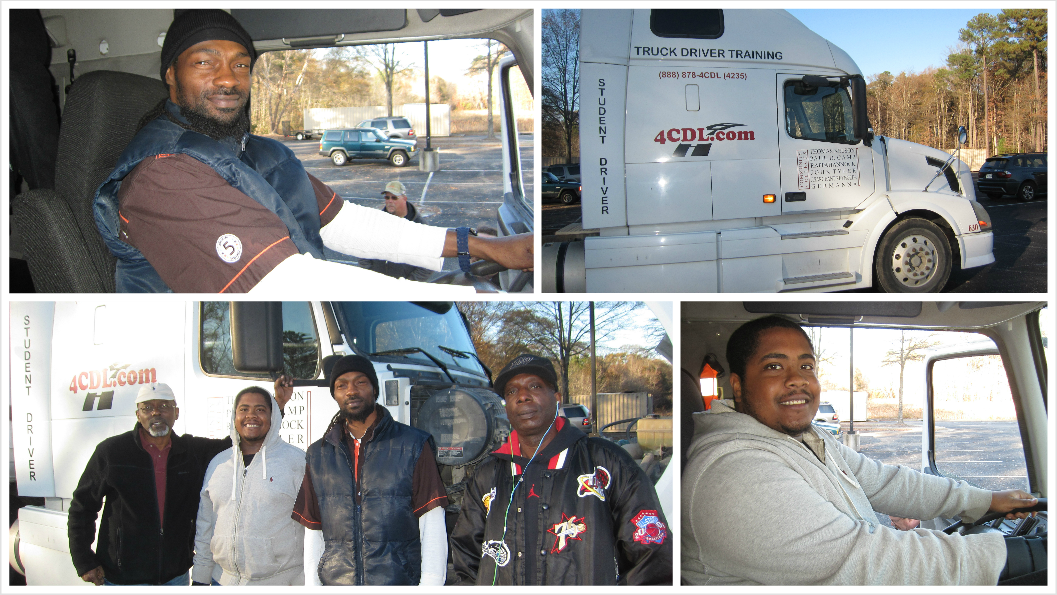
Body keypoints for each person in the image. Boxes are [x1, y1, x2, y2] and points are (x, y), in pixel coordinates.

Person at [92, 9, 532, 293]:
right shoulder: (162, 174)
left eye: (240, 64)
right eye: (205, 62)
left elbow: (345, 223)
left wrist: (482, 248)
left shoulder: (258, 152)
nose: (228, 79)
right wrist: (466, 296)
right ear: (171, 76)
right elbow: (289, 282)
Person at [681, 315, 1044, 586]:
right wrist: (1014, 554)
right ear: (738, 386)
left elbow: (886, 482)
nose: (798, 379)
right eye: (774, 366)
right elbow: (867, 560)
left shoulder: (804, 439)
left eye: (806, 365)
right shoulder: (733, 473)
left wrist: (986, 500)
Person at [449, 354, 673, 585]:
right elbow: (466, 557)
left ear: (556, 397)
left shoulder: (607, 463)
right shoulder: (487, 475)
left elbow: (652, 557)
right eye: (511, 392)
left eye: (534, 386)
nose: (522, 397)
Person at [67, 381, 289, 586]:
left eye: (164, 406)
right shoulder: (112, 452)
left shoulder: (191, 452)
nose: (156, 412)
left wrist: (277, 405)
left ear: (176, 413)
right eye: (147, 407)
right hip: (123, 578)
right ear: (138, 414)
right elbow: (82, 507)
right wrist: (84, 560)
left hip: (176, 577)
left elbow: (242, 438)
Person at [289, 355, 448, 585]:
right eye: (341, 385)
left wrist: (430, 586)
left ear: (375, 389)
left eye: (360, 382)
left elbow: (432, 523)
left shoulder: (413, 445)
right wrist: (313, 587)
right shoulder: (318, 454)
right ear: (334, 395)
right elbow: (314, 531)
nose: (351, 391)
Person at [192, 387, 306, 585]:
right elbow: (205, 526)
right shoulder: (218, 464)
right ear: (234, 416)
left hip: (281, 582)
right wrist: (201, 577)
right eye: (244, 409)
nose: (251, 415)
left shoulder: (297, 462)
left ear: (273, 417)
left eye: (260, 409)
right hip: (222, 581)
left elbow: (313, 529)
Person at [358, 181, 433, 282]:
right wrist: (368, 274)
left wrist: (409, 283)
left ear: (404, 199)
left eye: (394, 198)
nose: (390, 201)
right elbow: (363, 250)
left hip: (404, 291)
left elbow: (429, 262)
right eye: (387, 197)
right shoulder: (376, 222)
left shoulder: (420, 226)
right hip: (376, 286)